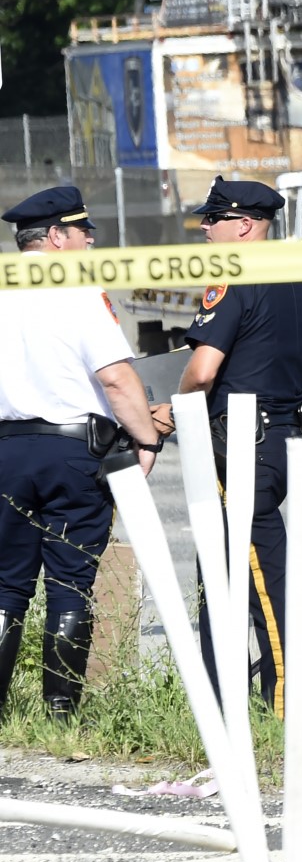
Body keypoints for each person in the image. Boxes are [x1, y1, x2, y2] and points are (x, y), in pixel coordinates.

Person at [152, 177, 302, 718]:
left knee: (260, 585)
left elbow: (201, 373)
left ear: (244, 224)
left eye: (214, 219)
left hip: (240, 447)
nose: (204, 228)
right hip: (279, 435)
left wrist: (169, 410)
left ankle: (282, 710)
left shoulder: (231, 275)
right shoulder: (298, 278)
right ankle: (227, 706)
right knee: (230, 575)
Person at [0, 187, 162, 721]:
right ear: (55, 237)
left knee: (6, 584)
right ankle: (60, 714)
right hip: (72, 452)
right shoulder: (77, 288)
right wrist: (147, 438)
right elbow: (116, 378)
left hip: (7, 451)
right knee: (71, 584)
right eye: (82, 231)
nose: (91, 239)